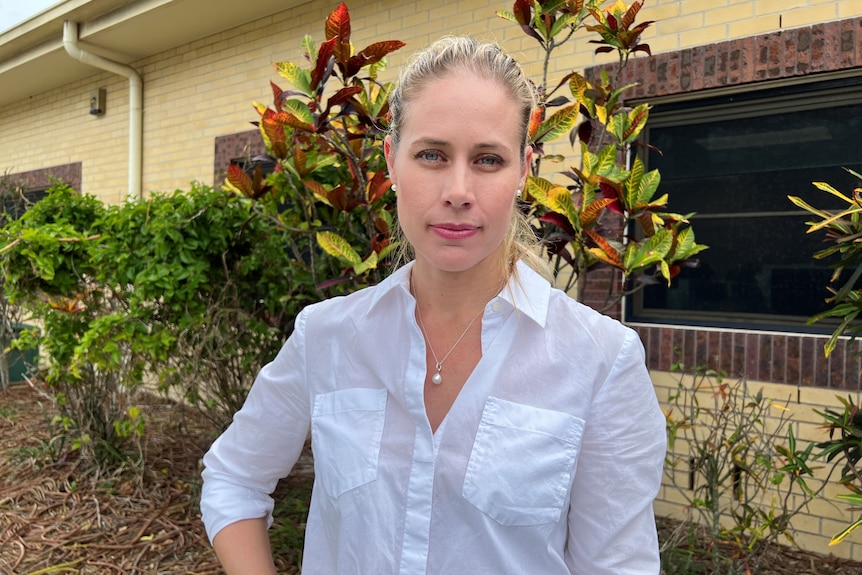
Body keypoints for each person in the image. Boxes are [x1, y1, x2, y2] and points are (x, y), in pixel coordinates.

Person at [200, 35, 666, 575]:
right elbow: (234, 477)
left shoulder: (601, 359)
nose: (458, 189)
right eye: (432, 155)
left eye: (488, 159)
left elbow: (617, 565)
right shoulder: (326, 336)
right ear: (391, 162)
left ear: (523, 172)